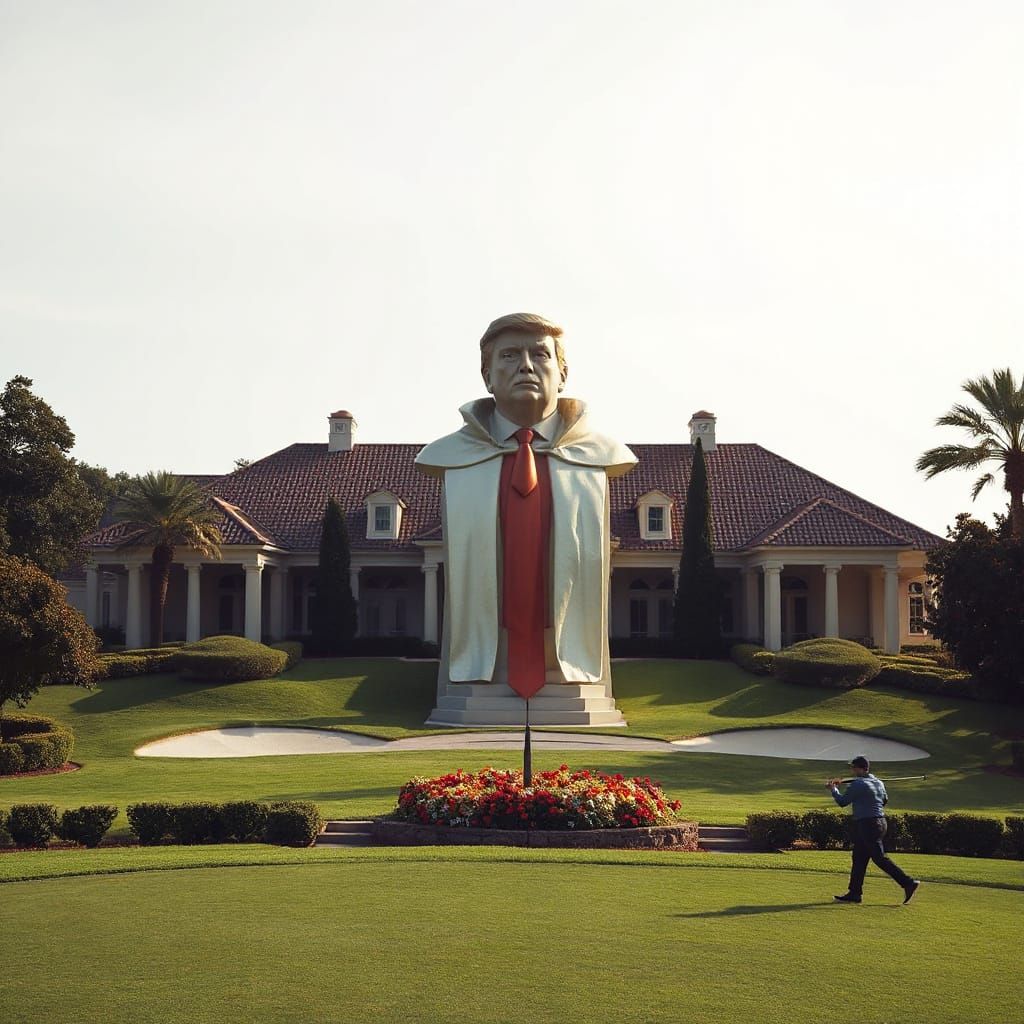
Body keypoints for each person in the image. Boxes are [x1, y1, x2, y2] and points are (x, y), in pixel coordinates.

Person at [415, 313, 637, 706]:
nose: (526, 366)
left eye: (540, 354)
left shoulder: (599, 455)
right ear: (487, 376)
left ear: (562, 374)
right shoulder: (450, 456)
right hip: (481, 654)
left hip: (567, 663)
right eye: (509, 355)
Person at [828, 755, 920, 904]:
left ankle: (908, 883)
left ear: (861, 768)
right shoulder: (878, 782)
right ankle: (854, 893)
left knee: (879, 858)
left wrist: (833, 789)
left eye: (854, 767)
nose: (852, 770)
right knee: (859, 857)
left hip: (868, 824)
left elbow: (842, 802)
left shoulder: (858, 784)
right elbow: (884, 801)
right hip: (879, 822)